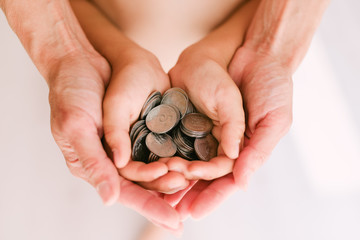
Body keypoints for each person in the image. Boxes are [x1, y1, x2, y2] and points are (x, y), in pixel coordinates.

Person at [0, 0, 330, 233]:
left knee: (225, 124)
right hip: (106, 15)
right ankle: (170, 214)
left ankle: (171, 214)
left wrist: (265, 48)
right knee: (215, 137)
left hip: (236, 17)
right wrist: (69, 52)